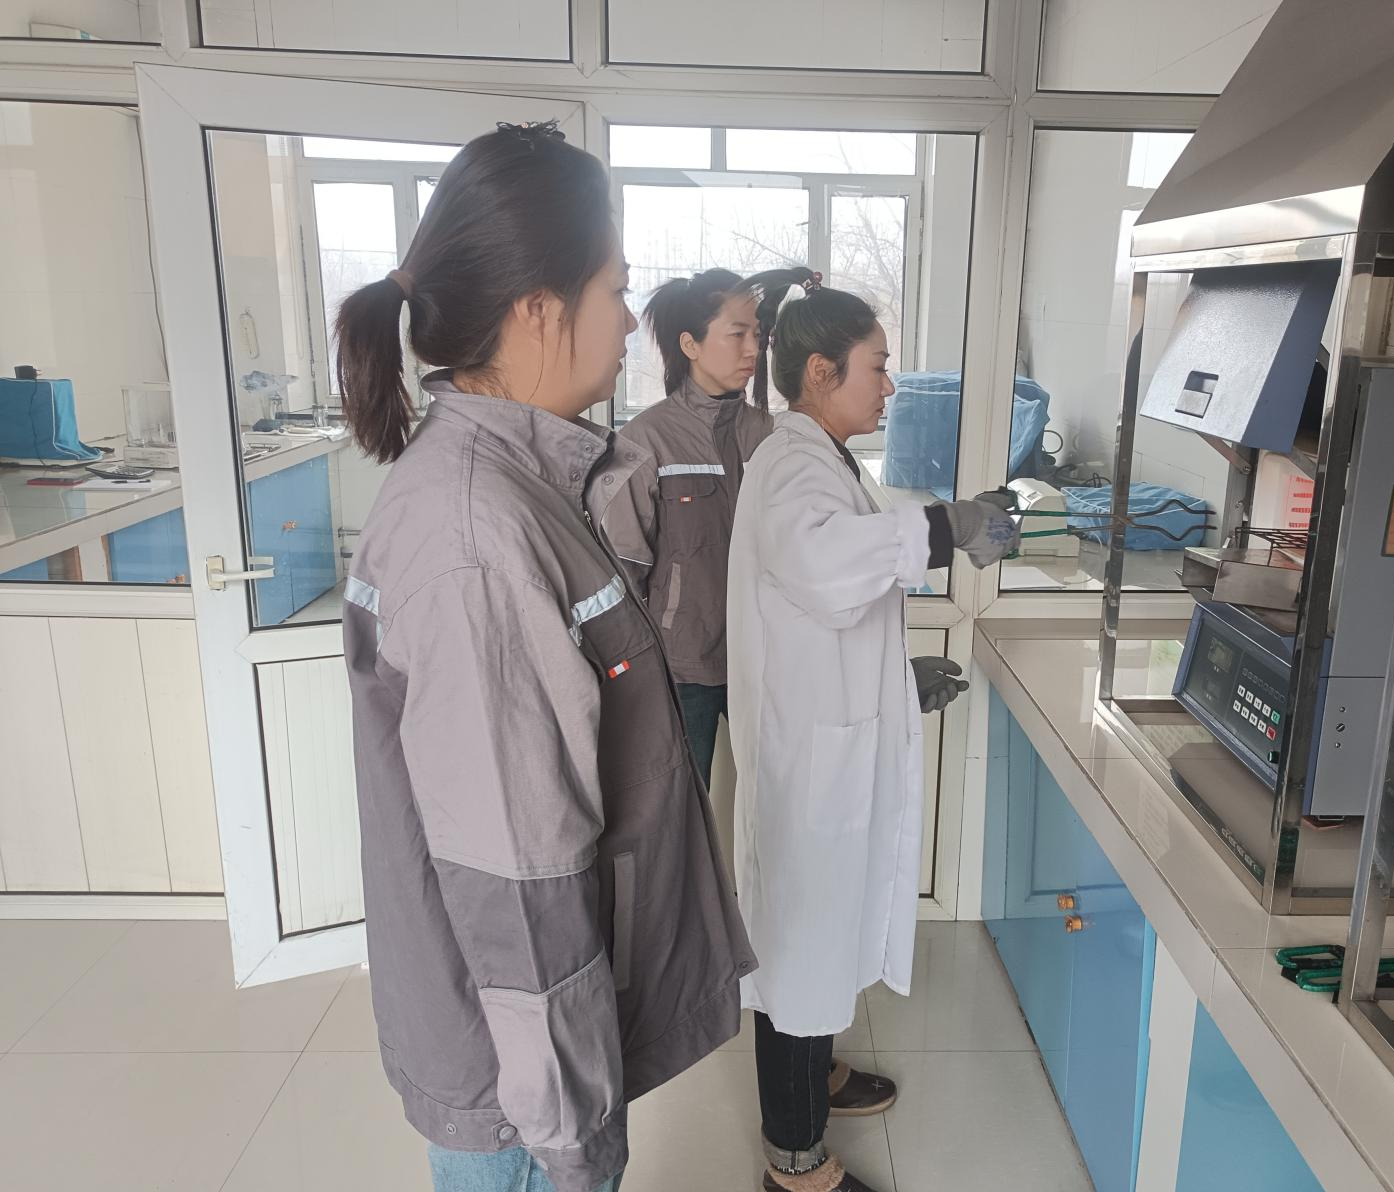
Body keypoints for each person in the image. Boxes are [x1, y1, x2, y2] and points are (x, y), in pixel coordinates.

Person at [337, 121, 755, 1192]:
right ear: (537, 309)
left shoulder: (518, 488)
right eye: (614, 291)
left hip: (528, 1060)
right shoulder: (479, 536)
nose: (626, 322)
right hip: (521, 1093)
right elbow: (515, 888)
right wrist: (573, 1138)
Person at [726, 280, 1018, 1192]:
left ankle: (815, 1076)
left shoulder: (823, 458)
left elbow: (831, 604)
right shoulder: (791, 465)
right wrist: (948, 527)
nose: (889, 386)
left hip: (828, 737)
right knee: (800, 946)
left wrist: (895, 682)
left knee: (820, 935)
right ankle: (795, 1159)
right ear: (821, 370)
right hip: (809, 763)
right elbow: (824, 566)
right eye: (878, 366)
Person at [604, 266, 815, 781]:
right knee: (684, 802)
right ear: (690, 345)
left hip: (765, 658)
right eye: (737, 334)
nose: (752, 350)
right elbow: (624, 572)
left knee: (780, 799)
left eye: (757, 336)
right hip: (684, 668)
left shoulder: (771, 435)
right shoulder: (645, 442)